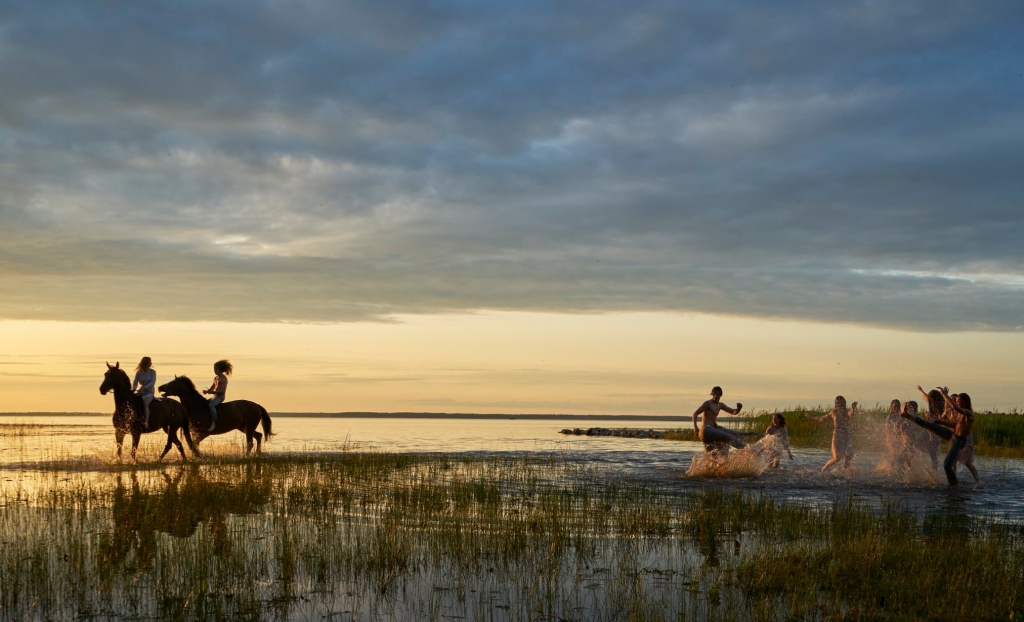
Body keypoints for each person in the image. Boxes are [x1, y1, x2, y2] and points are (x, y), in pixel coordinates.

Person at [901, 387, 975, 486]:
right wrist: (942, 422)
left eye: (959, 401)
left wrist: (944, 395)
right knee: (929, 425)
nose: (957, 403)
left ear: (965, 402)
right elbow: (955, 425)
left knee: (947, 465)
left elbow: (955, 407)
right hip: (952, 436)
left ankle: (954, 487)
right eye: (956, 401)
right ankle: (907, 415)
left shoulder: (969, 413)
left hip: (959, 441)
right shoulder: (960, 414)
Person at [808, 396, 856, 472]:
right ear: (835, 404)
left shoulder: (847, 411)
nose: (839, 404)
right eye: (837, 403)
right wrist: (811, 417)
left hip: (846, 437)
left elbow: (851, 414)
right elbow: (822, 417)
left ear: (844, 403)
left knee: (849, 456)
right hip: (837, 437)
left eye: (840, 402)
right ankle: (824, 468)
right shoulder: (833, 413)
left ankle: (845, 472)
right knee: (836, 458)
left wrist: (853, 408)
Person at [915, 386, 943, 470]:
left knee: (933, 453)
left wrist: (927, 417)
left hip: (935, 431)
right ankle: (919, 463)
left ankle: (934, 470)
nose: (929, 400)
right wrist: (921, 390)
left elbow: (939, 420)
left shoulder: (941, 407)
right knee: (916, 443)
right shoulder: (931, 403)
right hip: (927, 429)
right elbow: (925, 396)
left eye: (930, 398)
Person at [202, 360, 232, 432]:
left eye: (216, 369)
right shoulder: (216, 378)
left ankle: (213, 423)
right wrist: (207, 391)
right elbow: (212, 387)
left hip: (220, 397)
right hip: (214, 396)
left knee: (211, 405)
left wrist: (211, 392)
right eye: (214, 369)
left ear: (220, 370)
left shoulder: (223, 379)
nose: (215, 371)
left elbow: (222, 391)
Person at [132, 357, 156, 428]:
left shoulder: (152, 372)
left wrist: (145, 388)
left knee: (145, 403)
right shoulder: (139, 372)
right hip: (140, 391)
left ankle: (146, 422)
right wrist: (133, 388)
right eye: (149, 362)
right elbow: (135, 382)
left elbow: (152, 382)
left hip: (149, 391)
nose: (150, 364)